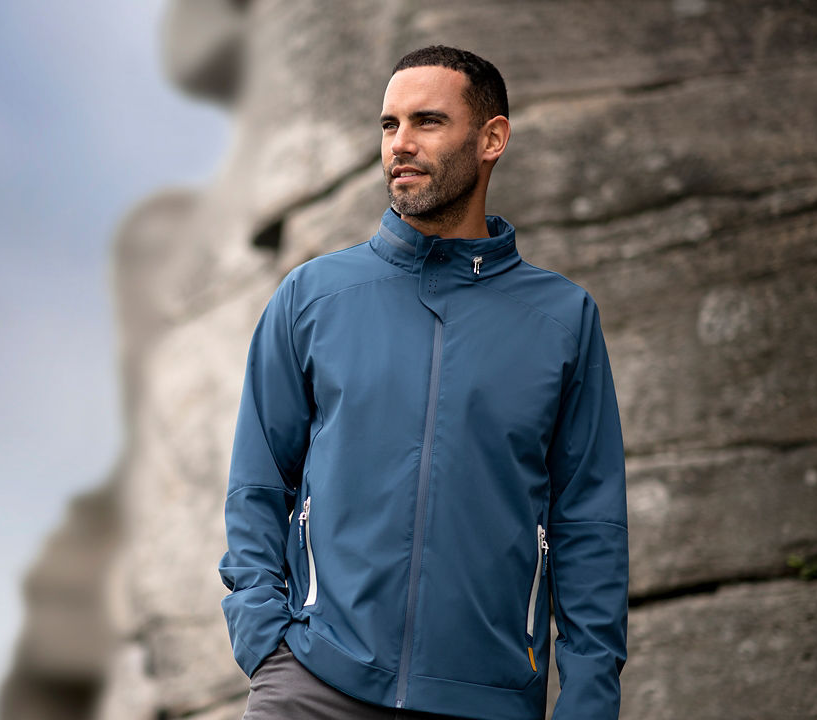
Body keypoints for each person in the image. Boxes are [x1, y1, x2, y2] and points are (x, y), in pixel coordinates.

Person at [218, 45, 628, 719]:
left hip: (484, 700)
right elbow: (257, 486)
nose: (400, 145)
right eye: (388, 125)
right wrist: (266, 640)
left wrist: (588, 700)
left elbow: (590, 524)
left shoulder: (561, 320)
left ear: (491, 138)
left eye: (427, 122)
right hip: (316, 687)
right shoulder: (314, 298)